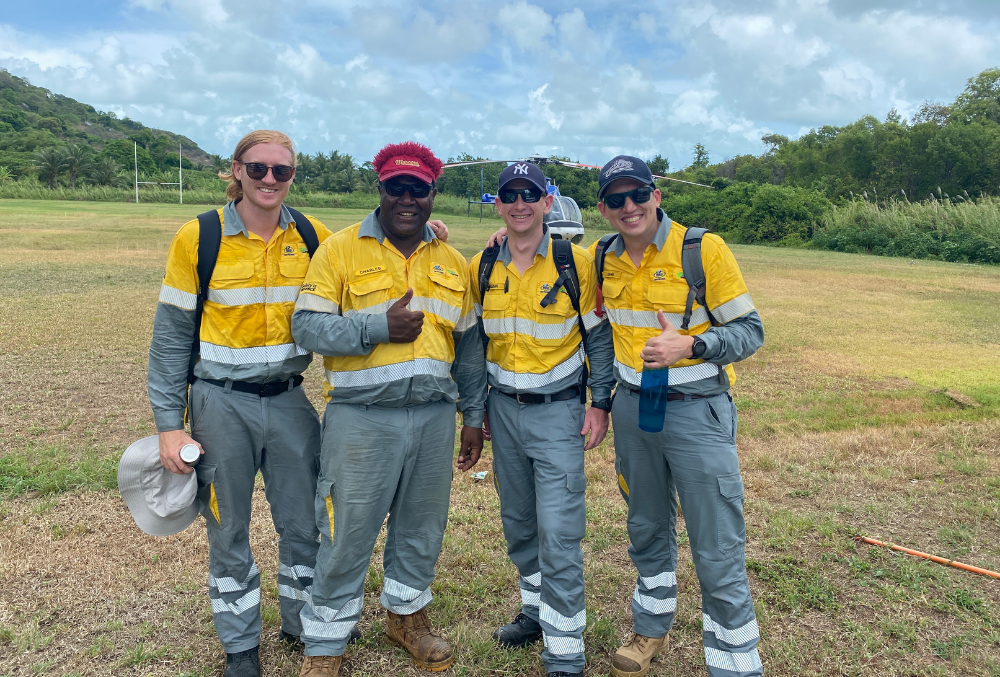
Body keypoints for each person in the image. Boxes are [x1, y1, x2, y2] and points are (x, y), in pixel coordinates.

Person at [148, 130, 450, 677]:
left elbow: (380, 238)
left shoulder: (311, 235)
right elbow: (171, 337)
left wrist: (430, 230)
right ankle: (240, 645)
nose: (269, 180)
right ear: (235, 171)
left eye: (281, 171)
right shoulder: (200, 237)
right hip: (220, 399)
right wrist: (171, 424)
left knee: (305, 525)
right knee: (229, 526)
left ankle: (300, 622)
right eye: (257, 169)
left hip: (288, 399)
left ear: (292, 177)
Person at [290, 141, 487, 677]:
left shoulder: (452, 262)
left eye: (417, 189)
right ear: (379, 189)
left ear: (431, 194)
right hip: (361, 417)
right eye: (395, 187)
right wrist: (376, 327)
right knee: (347, 528)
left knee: (422, 526)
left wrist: (473, 417)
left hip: (431, 417)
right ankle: (325, 646)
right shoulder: (338, 250)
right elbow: (306, 327)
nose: (406, 198)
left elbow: (468, 348)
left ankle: (407, 618)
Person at [591, 156, 765, 677]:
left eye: (638, 194)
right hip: (632, 410)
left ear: (656, 196)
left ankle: (734, 663)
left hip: (698, 412)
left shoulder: (701, 249)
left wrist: (693, 344)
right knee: (646, 525)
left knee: (715, 541)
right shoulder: (602, 255)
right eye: (616, 200)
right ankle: (650, 630)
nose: (629, 207)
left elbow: (750, 332)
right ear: (603, 209)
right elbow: (601, 336)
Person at [469, 162, 616, 677]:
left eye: (530, 194)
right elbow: (474, 343)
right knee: (520, 524)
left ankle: (565, 647)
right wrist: (476, 409)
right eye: (510, 195)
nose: (520, 203)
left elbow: (600, 338)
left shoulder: (576, 264)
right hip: (504, 412)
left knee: (558, 529)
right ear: (499, 204)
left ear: (547, 202)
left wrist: (600, 403)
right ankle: (535, 611)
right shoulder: (483, 264)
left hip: (559, 413)